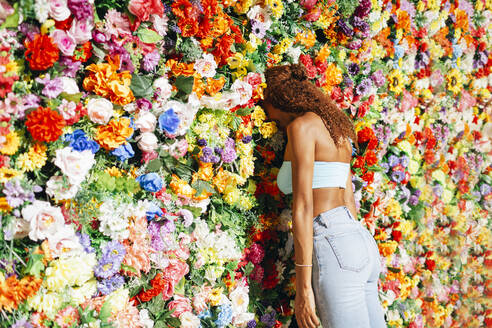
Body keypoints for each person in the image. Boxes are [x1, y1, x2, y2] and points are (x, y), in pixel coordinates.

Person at [259, 63, 387, 328]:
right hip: (358, 240)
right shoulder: (337, 128)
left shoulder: (302, 128)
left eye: (274, 118)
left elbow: (304, 207)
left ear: (282, 101)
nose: (275, 124)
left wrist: (303, 289)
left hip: (332, 242)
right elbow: (350, 199)